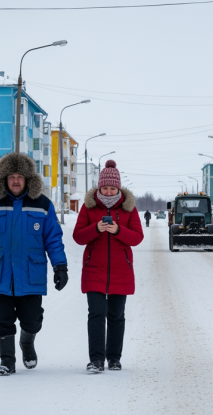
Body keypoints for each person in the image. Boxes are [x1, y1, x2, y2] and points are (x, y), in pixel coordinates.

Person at [0, 152, 68, 376]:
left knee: (32, 320)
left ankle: (27, 344)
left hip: (31, 274)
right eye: (11, 176)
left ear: (28, 178)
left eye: (20, 176)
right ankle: (7, 361)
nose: (16, 180)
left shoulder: (42, 204)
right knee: (2, 320)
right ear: (4, 179)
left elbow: (53, 239)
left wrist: (60, 267)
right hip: (1, 274)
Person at [73, 160, 144, 373]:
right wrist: (96, 228)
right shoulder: (88, 207)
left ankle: (114, 358)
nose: (109, 191)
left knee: (116, 316)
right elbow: (77, 236)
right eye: (105, 188)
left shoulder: (128, 208)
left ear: (119, 188)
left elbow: (137, 237)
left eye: (113, 188)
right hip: (94, 269)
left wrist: (118, 230)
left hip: (121, 271)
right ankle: (96, 360)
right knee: (96, 314)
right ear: (99, 187)